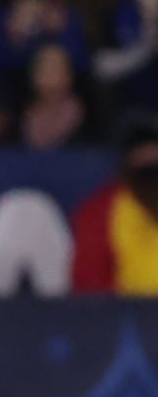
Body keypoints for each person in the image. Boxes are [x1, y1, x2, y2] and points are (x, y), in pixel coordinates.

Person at [71, 116, 158, 294]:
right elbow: (90, 280)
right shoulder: (102, 208)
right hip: (126, 314)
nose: (149, 158)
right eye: (142, 155)